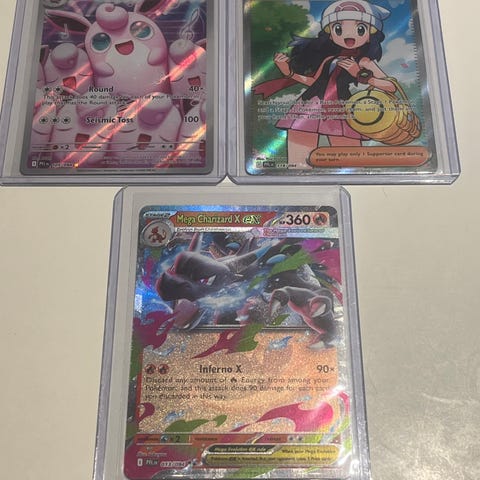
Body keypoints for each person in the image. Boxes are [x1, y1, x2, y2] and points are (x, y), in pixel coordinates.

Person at [260, 0, 396, 167]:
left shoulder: (364, 62)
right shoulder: (329, 59)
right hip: (309, 105)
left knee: (351, 163)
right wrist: (288, 72)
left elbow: (391, 87)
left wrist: (361, 76)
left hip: (341, 109)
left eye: (360, 29)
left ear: (370, 35)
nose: (348, 35)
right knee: (298, 162)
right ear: (331, 34)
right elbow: (313, 82)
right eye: (338, 28)